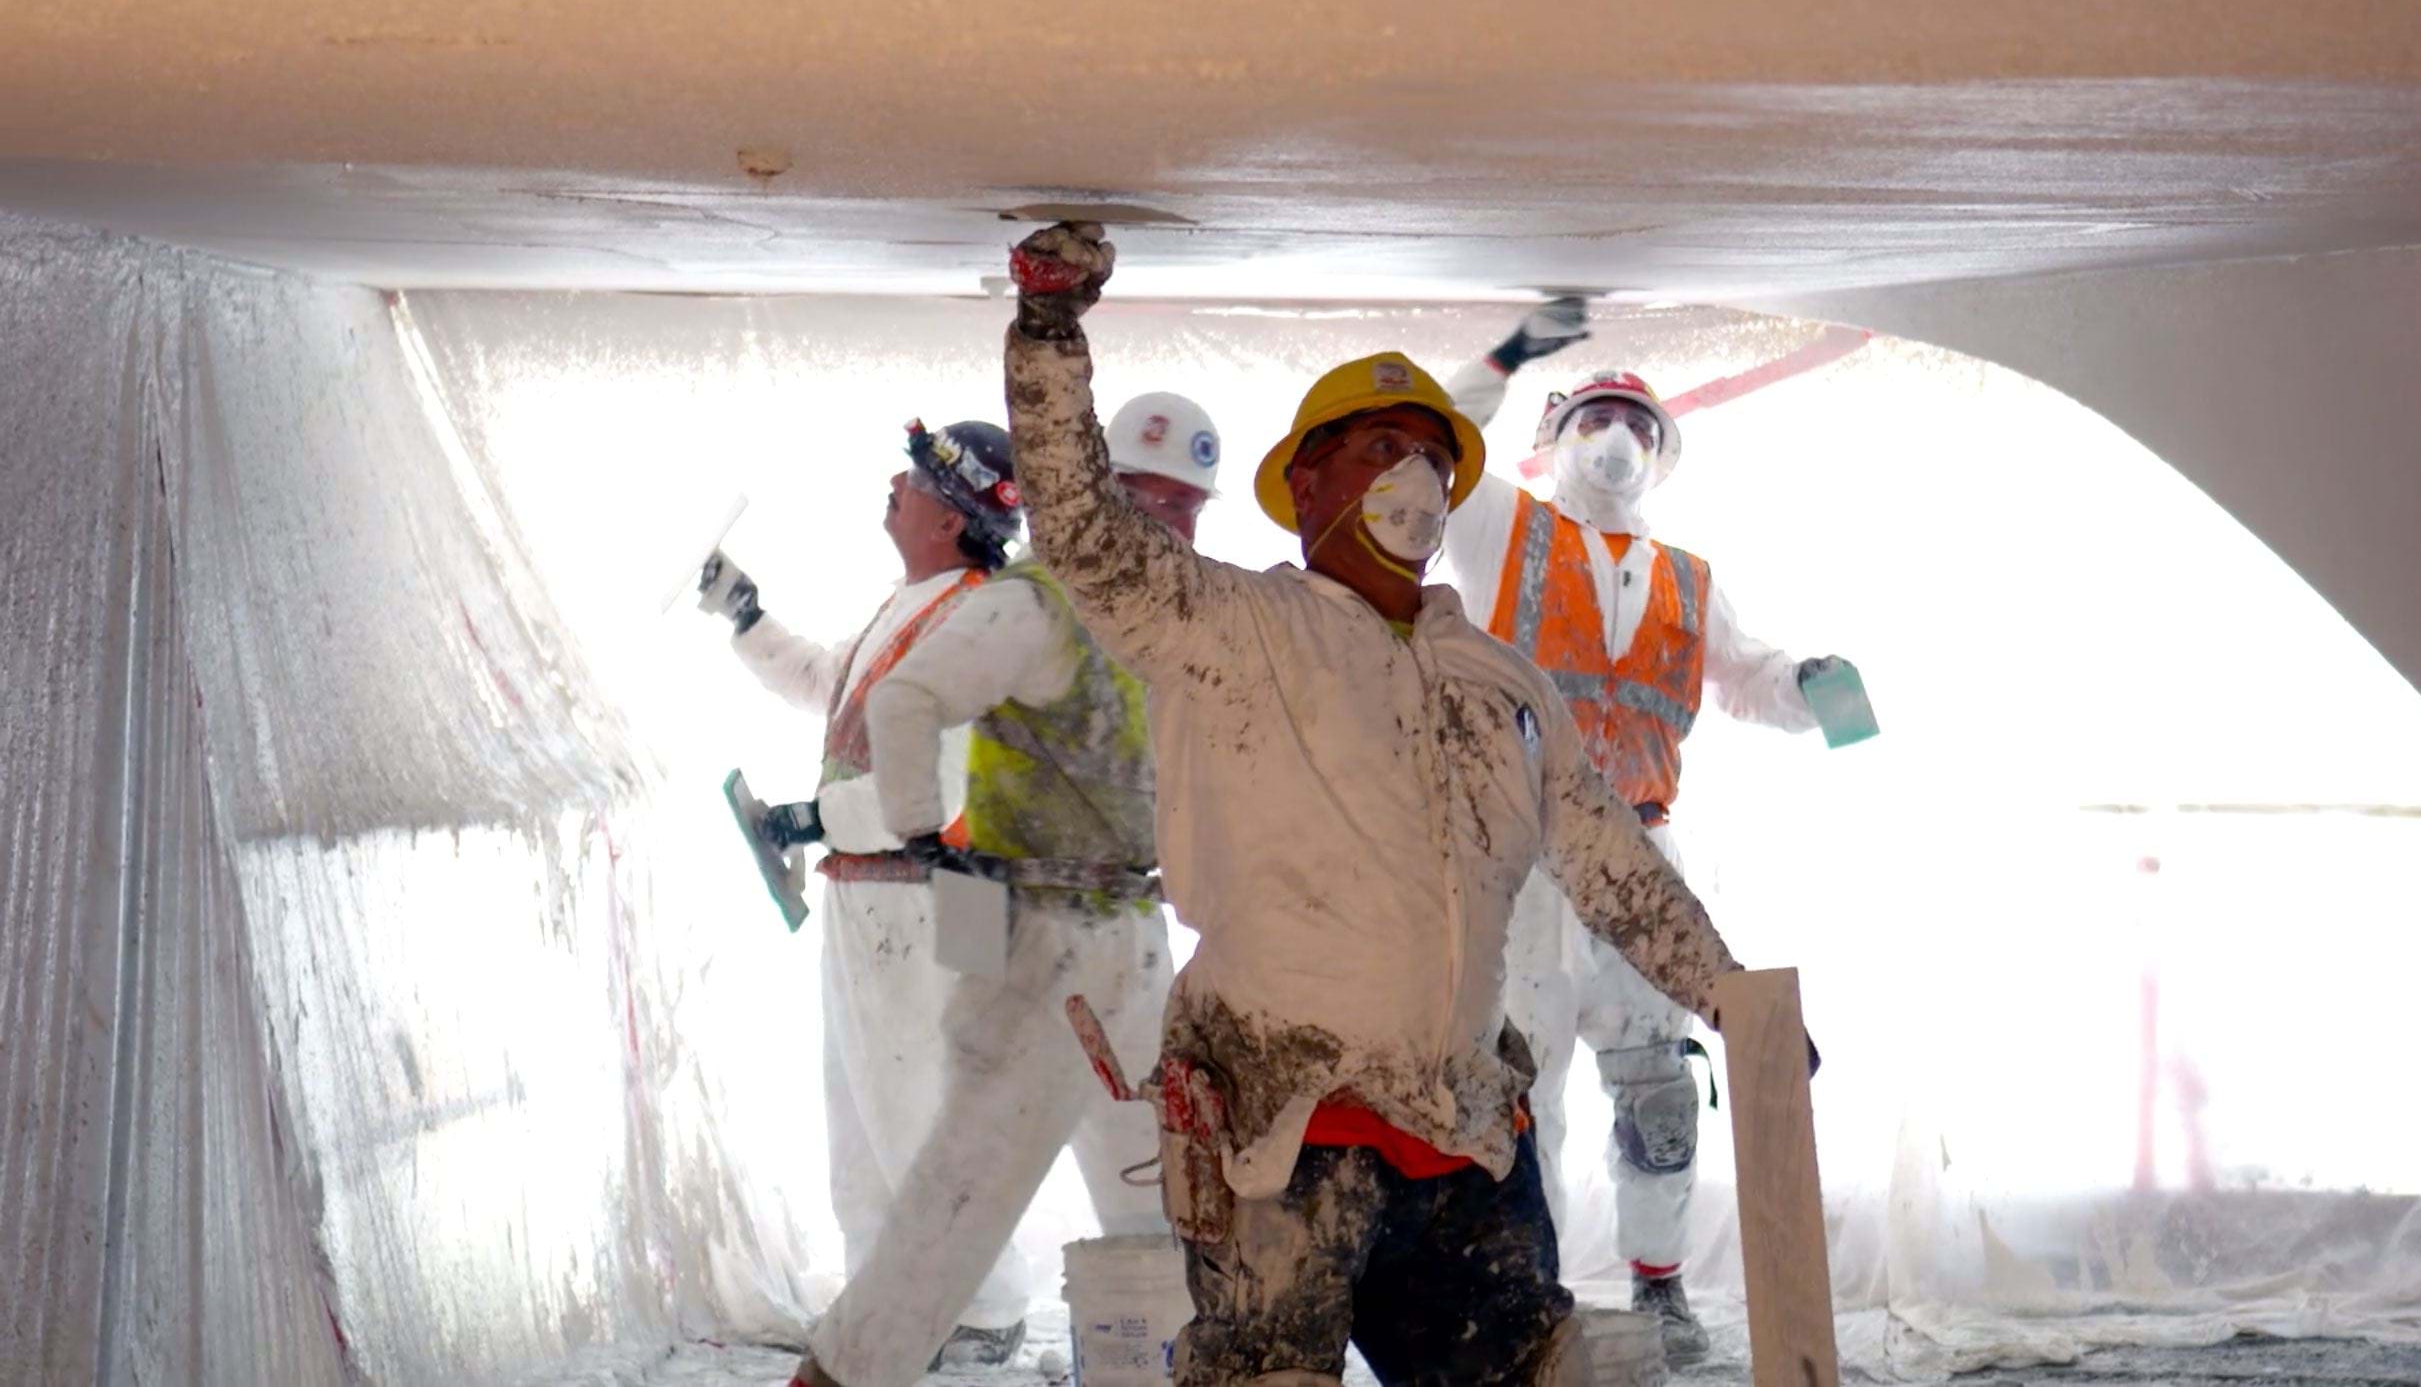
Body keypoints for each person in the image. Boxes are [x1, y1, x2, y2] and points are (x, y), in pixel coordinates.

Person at [992, 221, 1813, 1387]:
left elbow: (1610, 862)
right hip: (1283, 1135)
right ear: (1305, 483)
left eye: (1432, 455)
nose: (1414, 477)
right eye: (1380, 447)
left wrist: (1732, 1001)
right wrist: (1048, 329)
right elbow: (1081, 530)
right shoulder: (1229, 628)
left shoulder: (1501, 683)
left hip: (1466, 1140)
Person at [1439, 303, 1853, 1365]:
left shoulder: (1686, 578)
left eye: (1634, 422)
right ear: (1555, 439)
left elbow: (1747, 679)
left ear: (1661, 454)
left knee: (1657, 1085)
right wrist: (1506, 359)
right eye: (1594, 418)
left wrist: (1812, 690)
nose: (1614, 437)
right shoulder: (1504, 529)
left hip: (1640, 850)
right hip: (1521, 858)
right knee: (1522, 1084)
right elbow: (1432, 444)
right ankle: (1526, 1287)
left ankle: (1658, 1286)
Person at [787, 393, 1225, 1387]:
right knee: (962, 1189)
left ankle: (1157, 1364)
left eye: (1186, 503)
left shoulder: (1173, 616)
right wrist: (921, 837)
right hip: (1035, 934)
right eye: (1148, 496)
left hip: (1128, 930)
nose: (1169, 520)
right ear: (1103, 491)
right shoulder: (1037, 603)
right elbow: (906, 700)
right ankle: (845, 1372)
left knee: (1160, 1190)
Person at [695, 417, 1041, 1369]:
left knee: (923, 1109)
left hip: (933, 899)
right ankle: (891, 1300)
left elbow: (940, 786)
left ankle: (981, 1309)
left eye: (916, 478)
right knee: (864, 1112)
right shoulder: (917, 605)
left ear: (952, 516)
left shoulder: (978, 621)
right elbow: (830, 683)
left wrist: (811, 819)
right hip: (883, 896)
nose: (897, 484)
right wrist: (746, 616)